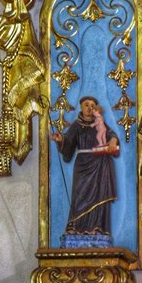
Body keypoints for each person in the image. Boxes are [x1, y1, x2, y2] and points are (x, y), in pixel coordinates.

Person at [52, 96, 119, 235]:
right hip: (83, 165)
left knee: (99, 194)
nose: (90, 108)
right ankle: (75, 226)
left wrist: (113, 140)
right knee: (79, 194)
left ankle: (98, 227)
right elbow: (68, 141)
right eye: (86, 105)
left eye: (92, 105)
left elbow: (111, 134)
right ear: (81, 107)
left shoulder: (100, 122)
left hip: (100, 164)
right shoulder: (76, 125)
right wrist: (61, 140)